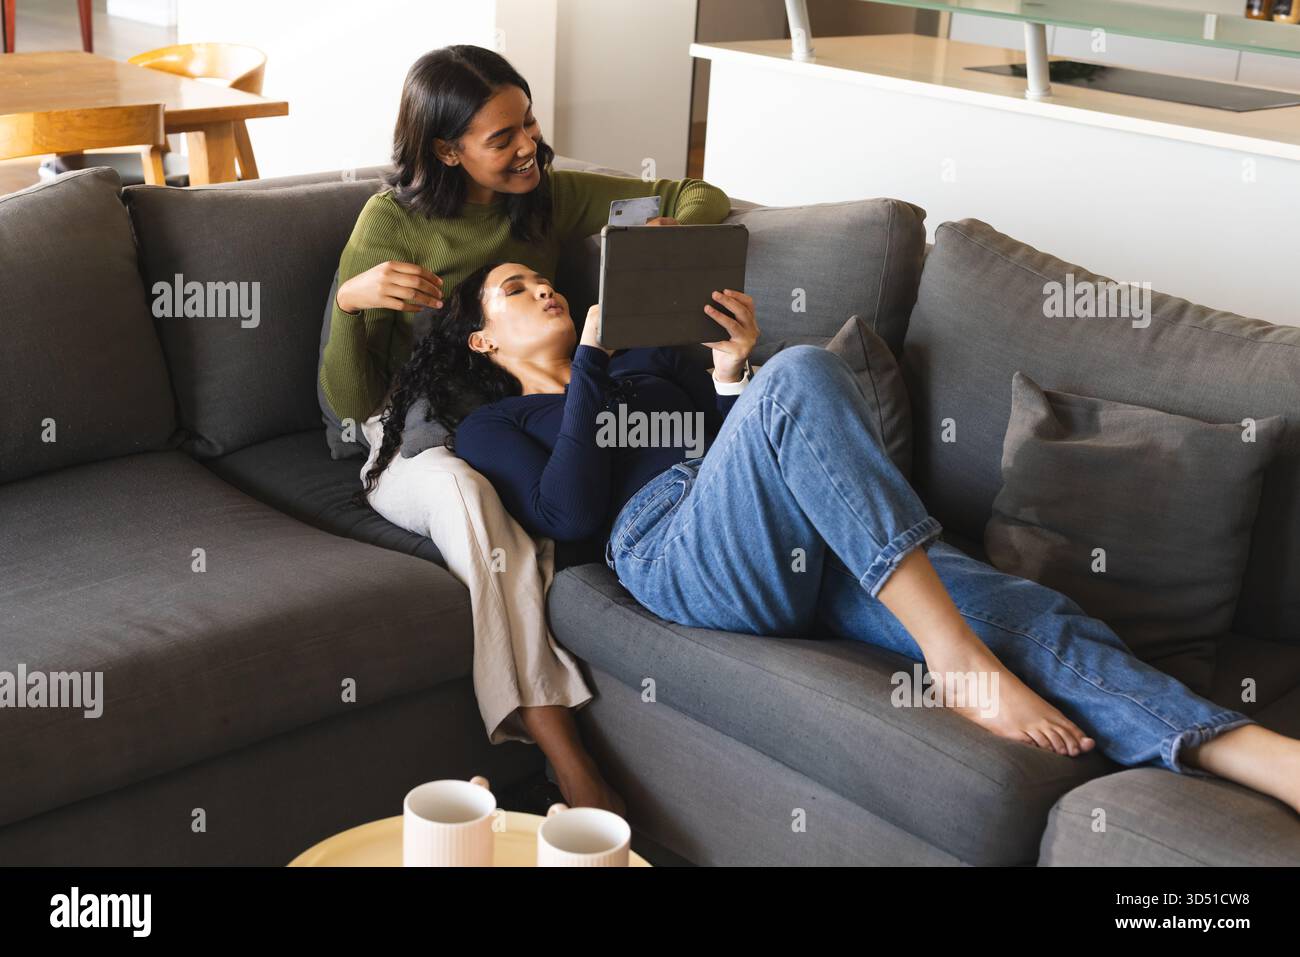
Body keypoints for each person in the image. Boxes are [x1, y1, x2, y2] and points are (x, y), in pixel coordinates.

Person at [364, 261, 1300, 819]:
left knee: (1023, 608)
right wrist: (593, 368)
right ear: (484, 345)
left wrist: (730, 374)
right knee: (804, 369)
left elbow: (746, 444)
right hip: (671, 553)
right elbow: (571, 516)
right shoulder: (497, 428)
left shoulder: (654, 363)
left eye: (543, 277)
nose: (543, 288)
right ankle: (953, 658)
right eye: (516, 291)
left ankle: (1250, 752)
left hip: (797, 534)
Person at [333, 45, 730, 815]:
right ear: (447, 150)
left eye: (530, 123)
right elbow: (351, 402)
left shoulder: (541, 195)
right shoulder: (391, 222)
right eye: (502, 138)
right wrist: (354, 302)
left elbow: (692, 190)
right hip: (409, 433)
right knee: (484, 518)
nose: (529, 148)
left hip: (507, 415)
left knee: (532, 520)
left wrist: (661, 248)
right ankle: (567, 757)